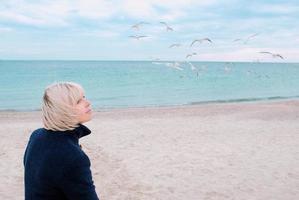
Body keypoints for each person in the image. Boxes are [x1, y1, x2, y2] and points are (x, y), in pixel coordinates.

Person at [23, 82, 99, 200]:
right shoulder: (73, 156)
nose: (87, 102)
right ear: (63, 109)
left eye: (84, 97)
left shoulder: (36, 136)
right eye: (78, 101)